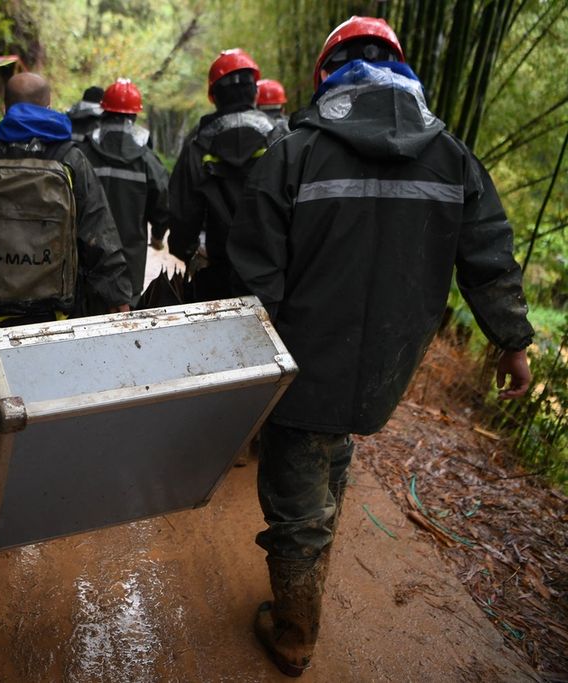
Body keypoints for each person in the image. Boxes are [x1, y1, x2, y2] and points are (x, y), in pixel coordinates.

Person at [227, 16, 533, 677]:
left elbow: (256, 274)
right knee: (332, 454)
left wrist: (247, 368)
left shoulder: (295, 150)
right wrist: (512, 341)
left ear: (325, 74)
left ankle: (294, 631)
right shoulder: (449, 152)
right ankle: (308, 566)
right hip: (386, 369)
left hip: (302, 366)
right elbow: (488, 254)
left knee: (298, 493)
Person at [0, 72, 132, 327]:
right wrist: (117, 296)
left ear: (5, 109)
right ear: (49, 107)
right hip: (57, 315)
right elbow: (98, 234)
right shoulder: (71, 160)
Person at [167, 49, 284, 301]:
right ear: (255, 92)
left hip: (216, 275)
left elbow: (182, 213)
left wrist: (186, 250)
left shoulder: (197, 144)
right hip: (275, 277)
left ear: (213, 97)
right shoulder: (281, 139)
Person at [80, 79, 170, 307]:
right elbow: (162, 202)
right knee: (126, 323)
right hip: (130, 262)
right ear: (135, 115)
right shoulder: (146, 160)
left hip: (87, 258)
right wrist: (158, 237)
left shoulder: (83, 154)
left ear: (104, 111)